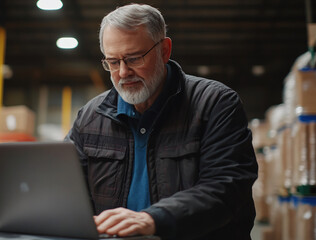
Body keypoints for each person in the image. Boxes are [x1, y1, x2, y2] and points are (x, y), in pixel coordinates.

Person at [65, 3, 258, 240]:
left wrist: (153, 219)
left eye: (134, 58)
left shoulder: (214, 104)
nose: (123, 72)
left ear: (164, 50)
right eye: (113, 62)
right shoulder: (91, 117)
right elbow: (65, 188)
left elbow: (227, 187)